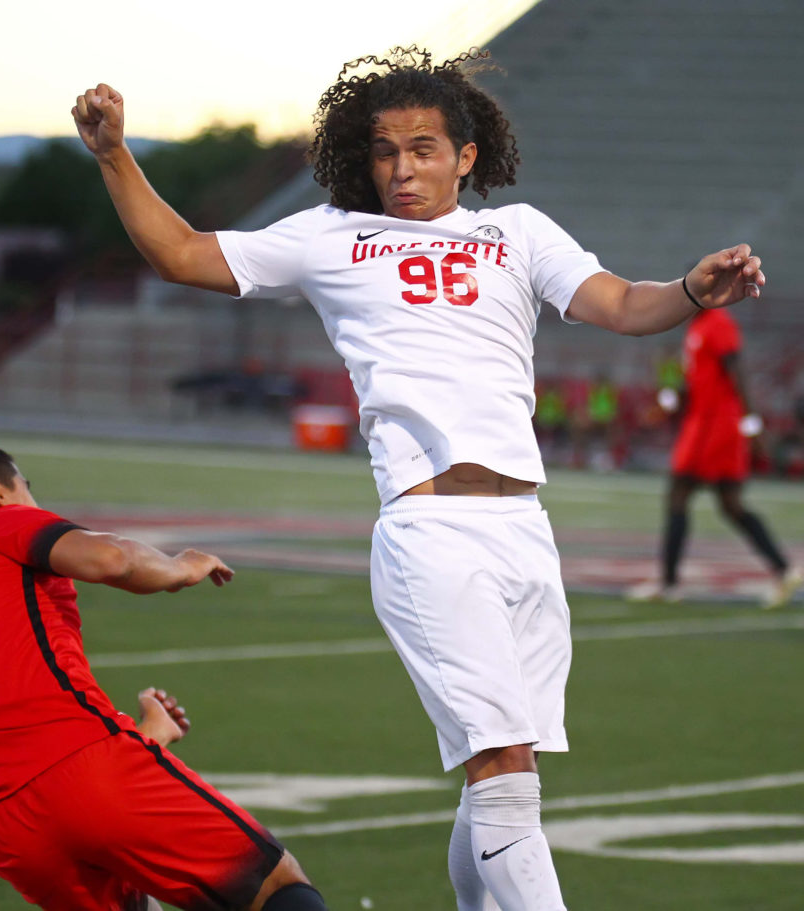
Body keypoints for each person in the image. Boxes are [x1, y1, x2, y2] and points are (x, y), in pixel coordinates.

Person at [72, 46, 767, 911]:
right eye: (385, 151)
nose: (403, 169)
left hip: (525, 531)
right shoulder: (330, 237)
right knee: (504, 768)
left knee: (503, 780)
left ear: (466, 156)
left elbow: (624, 305)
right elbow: (180, 253)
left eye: (424, 149)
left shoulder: (518, 233)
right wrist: (113, 154)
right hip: (431, 534)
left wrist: (694, 289)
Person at [0, 441, 329, 911]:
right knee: (273, 885)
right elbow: (114, 558)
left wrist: (145, 737)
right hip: (82, 773)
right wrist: (180, 567)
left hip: (4, 826)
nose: (34, 500)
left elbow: (18, 742)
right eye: (27, 488)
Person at [628, 307, 803, 607]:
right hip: (705, 423)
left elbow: (736, 371)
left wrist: (751, 424)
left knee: (681, 495)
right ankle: (784, 570)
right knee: (730, 505)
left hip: (715, 426)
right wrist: (666, 404)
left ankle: (669, 584)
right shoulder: (696, 328)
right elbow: (693, 383)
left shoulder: (717, 323)